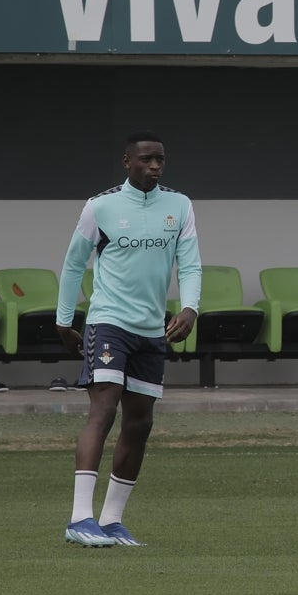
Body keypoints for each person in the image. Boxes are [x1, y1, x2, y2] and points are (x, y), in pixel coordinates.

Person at [55, 131, 201, 547]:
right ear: (126, 162)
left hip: (152, 329)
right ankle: (79, 518)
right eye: (146, 159)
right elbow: (72, 265)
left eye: (160, 160)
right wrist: (65, 321)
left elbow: (190, 265)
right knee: (103, 409)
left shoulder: (180, 205)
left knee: (140, 423)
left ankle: (112, 522)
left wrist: (190, 308)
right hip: (108, 323)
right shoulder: (100, 206)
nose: (154, 166)